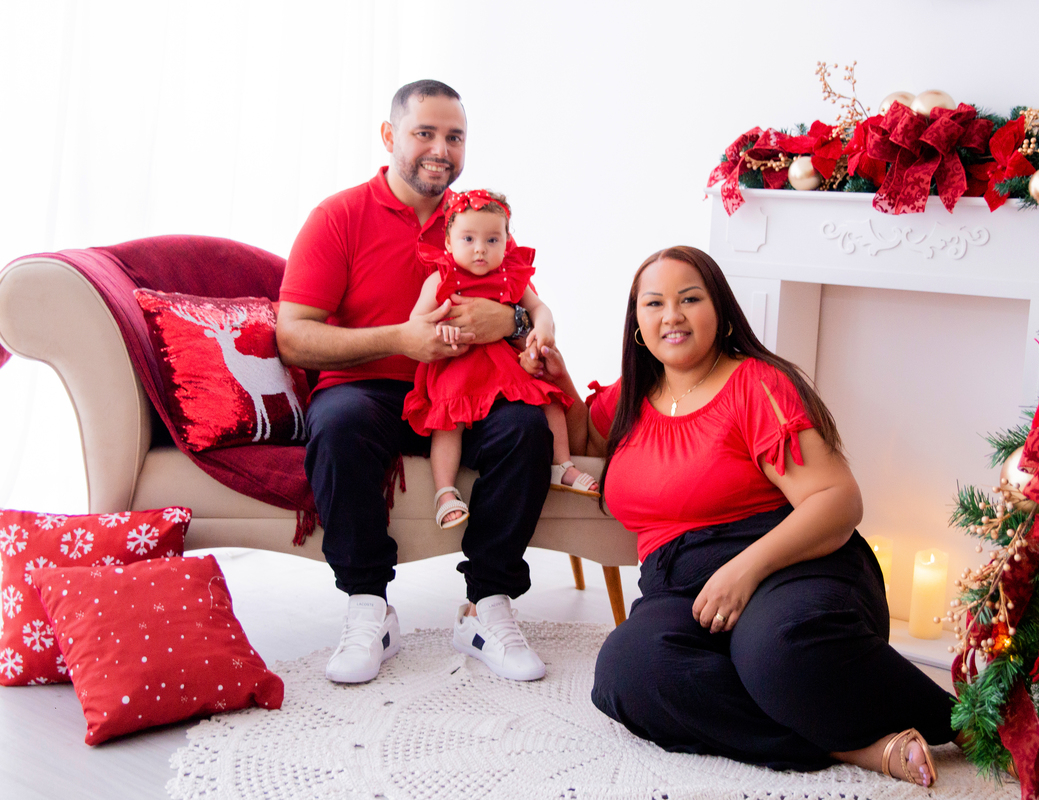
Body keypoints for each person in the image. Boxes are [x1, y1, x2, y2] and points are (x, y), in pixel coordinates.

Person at [524, 246, 958, 785]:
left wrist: (743, 571)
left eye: (689, 299)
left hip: (790, 564)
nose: (671, 316)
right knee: (627, 673)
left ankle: (958, 719)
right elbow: (589, 438)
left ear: (721, 309)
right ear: (637, 323)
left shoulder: (756, 384)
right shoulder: (633, 396)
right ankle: (856, 747)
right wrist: (561, 378)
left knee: (775, 653)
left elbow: (838, 499)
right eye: (653, 303)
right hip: (679, 588)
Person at [276, 79, 549, 685]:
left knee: (525, 427)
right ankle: (369, 606)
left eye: (454, 137)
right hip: (371, 389)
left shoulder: (480, 219)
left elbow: (526, 303)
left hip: (465, 387)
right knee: (337, 422)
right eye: (424, 133)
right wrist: (399, 338)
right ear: (389, 136)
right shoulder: (338, 216)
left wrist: (513, 321)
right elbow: (293, 335)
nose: (440, 149)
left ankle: (487, 606)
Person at [403, 188, 599, 531]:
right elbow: (415, 324)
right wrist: (441, 329)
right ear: (449, 243)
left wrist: (543, 329)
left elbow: (540, 309)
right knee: (449, 424)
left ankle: (562, 465)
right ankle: (444, 490)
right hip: (458, 368)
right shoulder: (441, 279)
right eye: (468, 238)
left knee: (549, 400)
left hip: (504, 367)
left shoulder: (510, 277)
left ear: (507, 241)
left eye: (493, 239)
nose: (481, 248)